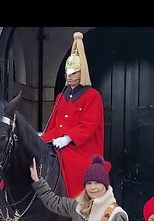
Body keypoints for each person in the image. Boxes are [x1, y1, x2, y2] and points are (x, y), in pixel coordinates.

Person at [40, 31, 107, 198]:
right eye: (67, 73)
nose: (69, 77)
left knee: (74, 166)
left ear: (81, 73)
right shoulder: (61, 96)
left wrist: (68, 138)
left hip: (81, 147)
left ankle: (74, 204)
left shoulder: (92, 96)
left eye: (74, 73)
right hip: (57, 139)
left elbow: (89, 126)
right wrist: (41, 137)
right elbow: (54, 124)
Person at [30, 155, 129, 221]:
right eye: (89, 183)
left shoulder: (116, 215)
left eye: (97, 182)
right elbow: (54, 202)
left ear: (105, 185)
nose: (92, 187)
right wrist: (38, 181)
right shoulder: (78, 206)